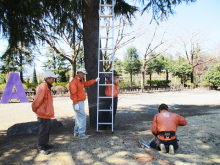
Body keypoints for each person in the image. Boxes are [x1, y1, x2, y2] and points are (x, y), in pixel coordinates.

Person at [32, 71, 58, 155]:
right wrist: (35, 109)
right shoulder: (43, 87)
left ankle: (45, 145)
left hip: (46, 113)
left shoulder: (46, 87)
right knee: (43, 131)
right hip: (42, 114)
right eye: (52, 78)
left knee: (46, 130)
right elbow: (37, 101)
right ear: (48, 78)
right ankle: (41, 147)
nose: (53, 79)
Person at [69, 68, 99, 139]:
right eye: (83, 73)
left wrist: (95, 80)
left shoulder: (80, 81)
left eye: (84, 74)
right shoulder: (74, 82)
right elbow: (73, 93)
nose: (84, 75)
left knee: (78, 118)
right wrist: (75, 103)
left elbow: (87, 83)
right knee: (82, 117)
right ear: (78, 73)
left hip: (79, 102)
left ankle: (76, 133)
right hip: (78, 102)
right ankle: (81, 134)